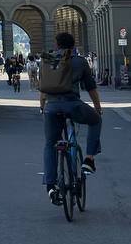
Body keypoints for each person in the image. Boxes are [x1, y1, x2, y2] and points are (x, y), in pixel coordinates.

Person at [40, 32, 103, 204]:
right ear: (74, 45)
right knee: (95, 120)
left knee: (49, 144)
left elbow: (44, 89)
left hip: (51, 107)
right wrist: (97, 108)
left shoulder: (48, 60)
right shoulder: (80, 61)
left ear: (56, 44)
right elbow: (90, 88)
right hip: (72, 105)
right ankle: (89, 159)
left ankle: (51, 186)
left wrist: (42, 106)